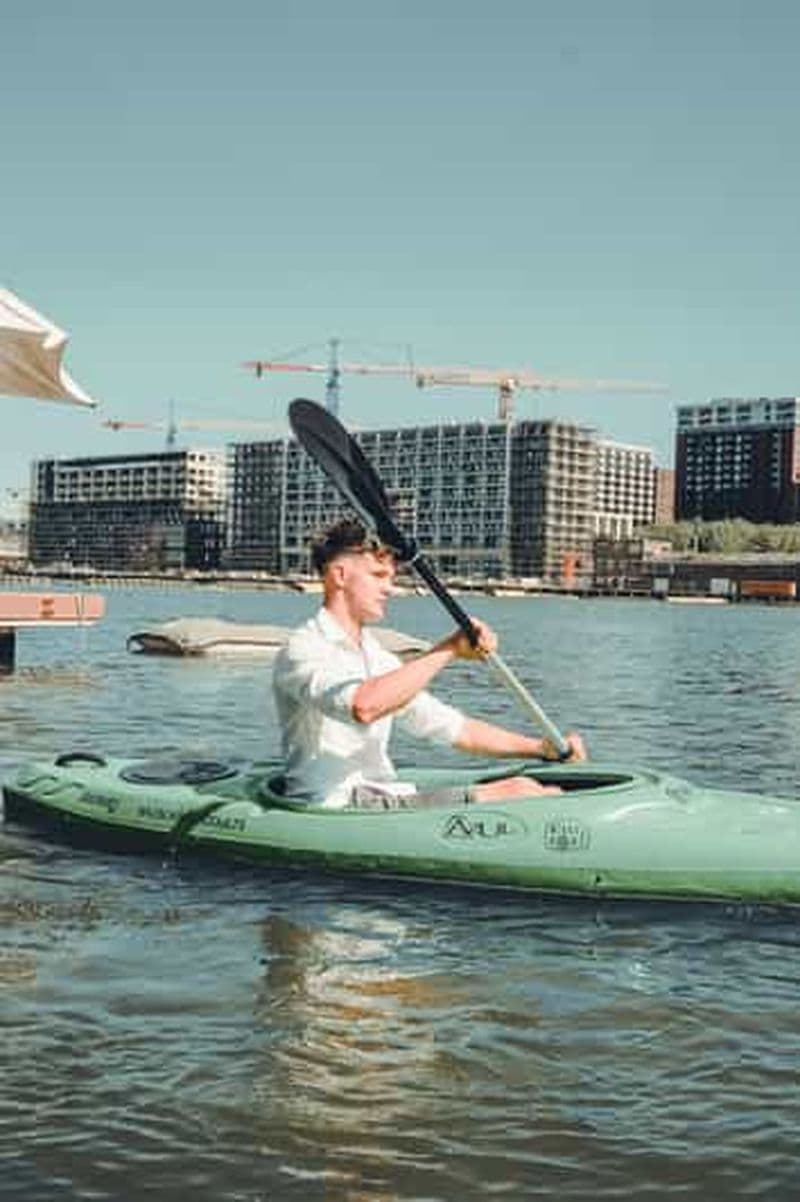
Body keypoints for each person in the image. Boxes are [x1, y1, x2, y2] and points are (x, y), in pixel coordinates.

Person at [272, 518, 586, 809]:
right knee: (518, 794)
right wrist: (448, 649)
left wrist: (540, 748)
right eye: (378, 576)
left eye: (391, 577)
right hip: (334, 803)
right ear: (339, 576)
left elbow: (452, 728)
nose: (389, 588)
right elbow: (364, 707)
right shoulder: (303, 648)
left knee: (528, 785)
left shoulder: (376, 656)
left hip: (380, 795)